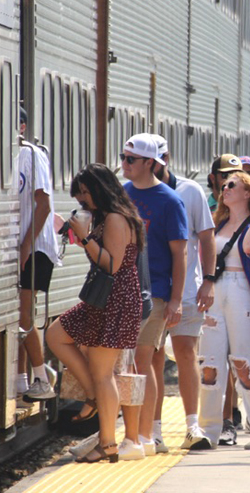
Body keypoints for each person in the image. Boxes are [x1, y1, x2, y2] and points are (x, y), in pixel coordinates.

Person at [45, 163, 144, 463]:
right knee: (55, 335)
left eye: (85, 194)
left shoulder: (116, 218)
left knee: (104, 375)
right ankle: (92, 395)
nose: (82, 201)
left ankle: (109, 444)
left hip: (115, 299)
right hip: (104, 298)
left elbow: (111, 265)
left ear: (100, 188)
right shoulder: (108, 216)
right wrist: (74, 233)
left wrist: (85, 238)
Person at [119, 134, 188, 459]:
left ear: (150, 163)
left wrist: (176, 300)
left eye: (131, 159)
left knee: (141, 363)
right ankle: (140, 434)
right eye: (123, 157)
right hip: (126, 292)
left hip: (156, 293)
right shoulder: (122, 195)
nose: (125, 164)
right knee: (133, 364)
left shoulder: (170, 201)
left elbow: (180, 254)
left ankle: (143, 436)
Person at [197, 172, 250, 449]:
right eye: (224, 185)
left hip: (242, 290)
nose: (225, 188)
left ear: (247, 193)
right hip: (215, 290)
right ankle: (208, 430)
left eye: (232, 185)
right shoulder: (216, 222)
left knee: (244, 363)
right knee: (209, 364)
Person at [150, 134, 217, 450]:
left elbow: (206, 237)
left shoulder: (190, 191)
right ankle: (154, 429)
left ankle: (193, 426)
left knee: (187, 352)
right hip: (152, 291)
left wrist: (209, 279)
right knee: (153, 358)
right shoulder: (135, 193)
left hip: (188, 289)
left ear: (166, 158)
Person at [15, 107, 60, 401]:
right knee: (15, 314)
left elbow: (42, 204)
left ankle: (41, 378)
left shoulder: (31, 155)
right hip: (19, 245)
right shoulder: (4, 156)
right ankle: (20, 379)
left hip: (37, 245)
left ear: (21, 126)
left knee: (24, 313)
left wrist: (26, 247)